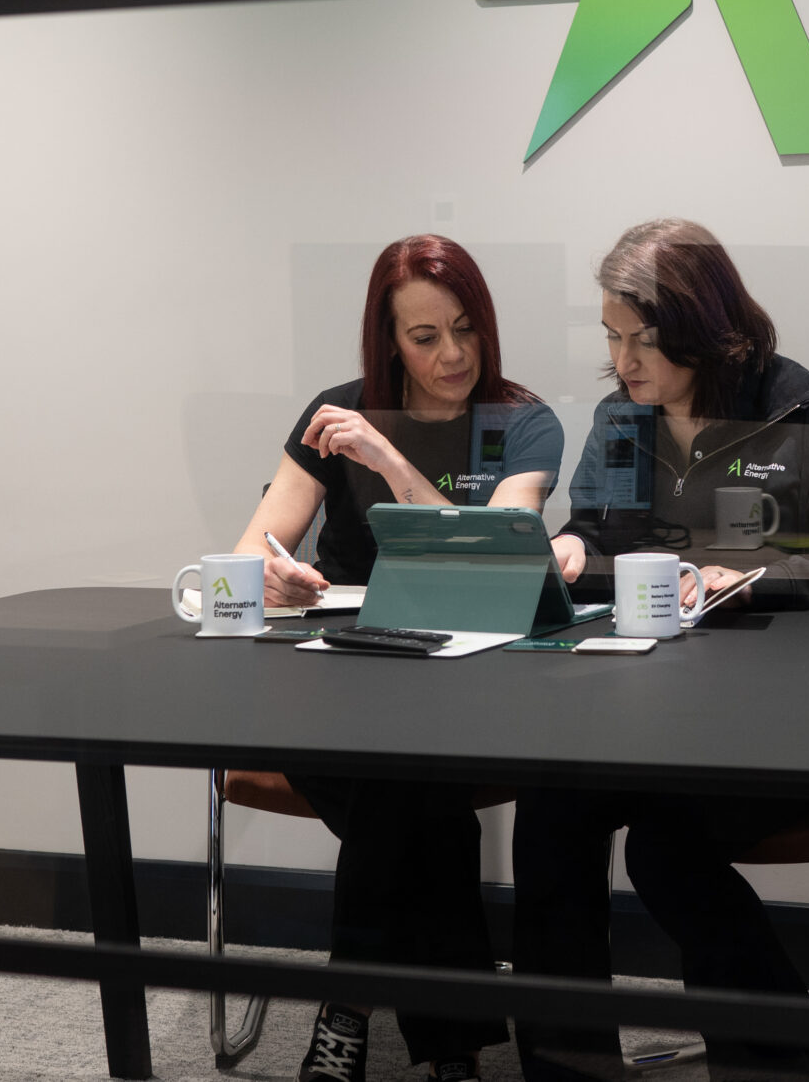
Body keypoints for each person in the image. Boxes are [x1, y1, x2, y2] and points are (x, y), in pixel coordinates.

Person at [516, 219, 809, 1082]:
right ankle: (568, 1067)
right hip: (651, 714)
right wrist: (570, 549)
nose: (624, 362)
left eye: (644, 339)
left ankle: (775, 1050)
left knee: (664, 846)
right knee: (551, 813)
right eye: (612, 338)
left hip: (783, 721)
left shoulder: (804, 411)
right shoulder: (624, 420)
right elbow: (595, 529)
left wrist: (747, 575)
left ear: (703, 328)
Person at [233, 235, 565, 1082]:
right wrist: (273, 574)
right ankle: (451, 1049)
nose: (452, 354)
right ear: (388, 340)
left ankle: (346, 1003)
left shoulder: (520, 422)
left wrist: (387, 459)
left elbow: (496, 557)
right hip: (335, 683)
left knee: (404, 781)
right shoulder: (332, 411)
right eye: (426, 337)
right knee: (424, 801)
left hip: (467, 691)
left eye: (465, 329)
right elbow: (244, 557)